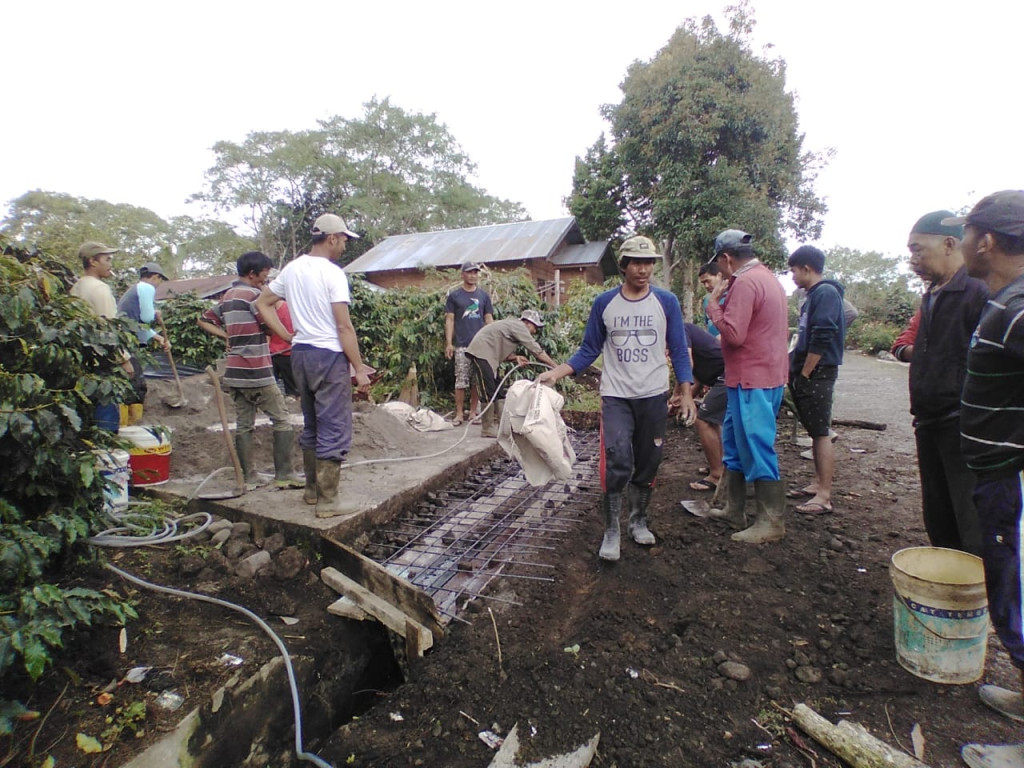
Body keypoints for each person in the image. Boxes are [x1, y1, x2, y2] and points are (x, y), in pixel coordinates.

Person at [538, 235, 696, 561]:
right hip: (616, 397)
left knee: (649, 461)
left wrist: (686, 392)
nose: (644, 269)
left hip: (653, 396)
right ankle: (612, 529)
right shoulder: (605, 304)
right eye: (637, 262)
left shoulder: (666, 302)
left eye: (649, 262)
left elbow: (679, 349)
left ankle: (638, 520)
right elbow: (588, 350)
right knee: (617, 460)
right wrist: (557, 372)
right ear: (623, 266)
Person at [949, 190, 1024, 768]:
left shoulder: (1020, 305)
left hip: (1009, 479)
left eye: (968, 234)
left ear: (988, 241)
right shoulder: (1005, 300)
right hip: (994, 473)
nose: (964, 244)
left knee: (1017, 597)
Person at [255, 213, 370, 518]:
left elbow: (262, 303)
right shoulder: (332, 274)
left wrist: (286, 336)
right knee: (334, 425)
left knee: (313, 422)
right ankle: (329, 502)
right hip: (327, 356)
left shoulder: (292, 269)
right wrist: (358, 369)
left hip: (301, 355)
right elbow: (344, 327)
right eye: (344, 239)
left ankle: (310, 491)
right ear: (331, 238)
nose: (345, 244)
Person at [890, 211, 987, 556]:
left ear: (949, 244)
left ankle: (981, 600)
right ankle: (948, 592)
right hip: (928, 421)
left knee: (972, 523)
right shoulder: (933, 293)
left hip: (961, 425)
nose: (913, 259)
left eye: (918, 249)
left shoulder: (978, 290)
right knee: (939, 517)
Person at [704, 229, 789, 544]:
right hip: (754, 376)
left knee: (755, 443)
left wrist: (713, 305)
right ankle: (734, 509)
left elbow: (735, 335)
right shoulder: (768, 278)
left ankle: (770, 521)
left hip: (754, 378)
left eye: (720, 265)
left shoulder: (746, 282)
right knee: (736, 442)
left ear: (726, 259)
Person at [198, 251, 304, 490]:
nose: (266, 281)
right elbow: (267, 326)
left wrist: (227, 335)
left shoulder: (227, 296)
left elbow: (204, 319)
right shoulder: (254, 296)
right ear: (252, 273)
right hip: (257, 367)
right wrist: (285, 334)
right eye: (264, 275)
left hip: (235, 371)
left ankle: (249, 476)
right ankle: (284, 473)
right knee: (282, 419)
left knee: (244, 424)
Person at [786, 245, 847, 516]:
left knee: (821, 433)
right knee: (814, 429)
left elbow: (823, 333)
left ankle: (824, 495)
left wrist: (807, 371)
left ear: (807, 269)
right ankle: (817, 483)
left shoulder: (826, 292)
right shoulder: (814, 295)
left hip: (818, 372)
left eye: (793, 271)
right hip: (809, 371)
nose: (792, 277)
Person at [69, 241, 133, 432]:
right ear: (93, 261)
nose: (110, 264)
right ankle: (107, 452)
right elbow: (109, 330)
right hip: (102, 362)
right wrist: (123, 359)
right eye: (107, 259)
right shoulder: (99, 288)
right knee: (105, 410)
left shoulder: (76, 287)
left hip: (82, 360)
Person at [465, 309, 558, 438]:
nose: (535, 331)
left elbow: (498, 343)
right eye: (535, 327)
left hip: (489, 356)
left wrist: (515, 358)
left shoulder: (511, 326)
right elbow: (536, 351)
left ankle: (505, 425)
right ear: (528, 323)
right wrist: (556, 368)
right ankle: (487, 428)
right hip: (482, 354)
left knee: (499, 390)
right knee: (488, 391)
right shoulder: (519, 327)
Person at [117, 261, 171, 420]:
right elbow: (146, 318)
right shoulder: (146, 288)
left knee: (131, 383)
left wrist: (159, 338)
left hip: (124, 339)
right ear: (155, 277)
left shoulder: (134, 290)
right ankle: (131, 426)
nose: (159, 284)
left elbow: (137, 324)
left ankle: (127, 424)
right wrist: (155, 313)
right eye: (160, 280)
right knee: (136, 386)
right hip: (127, 343)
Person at [445, 261, 493, 425]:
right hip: (462, 345)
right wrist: (449, 343)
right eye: (469, 272)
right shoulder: (454, 296)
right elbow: (450, 320)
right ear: (463, 274)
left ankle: (473, 413)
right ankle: (459, 414)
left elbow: (488, 319)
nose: (473, 275)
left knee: (476, 381)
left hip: (480, 346)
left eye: (475, 272)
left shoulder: (483, 296)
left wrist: (492, 342)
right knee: (461, 380)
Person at [684, 322, 726, 493]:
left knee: (703, 420)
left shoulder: (680, 330)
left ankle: (717, 475)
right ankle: (721, 466)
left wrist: (683, 393)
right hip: (723, 375)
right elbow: (698, 376)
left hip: (728, 374)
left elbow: (687, 364)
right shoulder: (688, 331)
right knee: (712, 420)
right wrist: (684, 398)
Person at [269, 300, 299, 397]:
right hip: (272, 351)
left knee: (291, 388)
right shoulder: (266, 309)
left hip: (287, 350)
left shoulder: (288, 307)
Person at [698, 261, 726, 336]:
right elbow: (707, 324)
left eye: (708, 281)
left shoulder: (732, 296)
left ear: (719, 276)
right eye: (703, 283)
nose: (706, 286)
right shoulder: (707, 300)